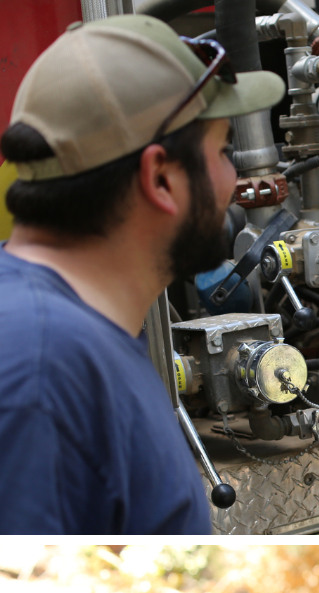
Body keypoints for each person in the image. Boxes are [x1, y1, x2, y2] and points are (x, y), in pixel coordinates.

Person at [0, 14, 284, 533]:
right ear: (159, 177)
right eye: (222, 151)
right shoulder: (42, 376)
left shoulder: (62, 337)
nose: (234, 179)